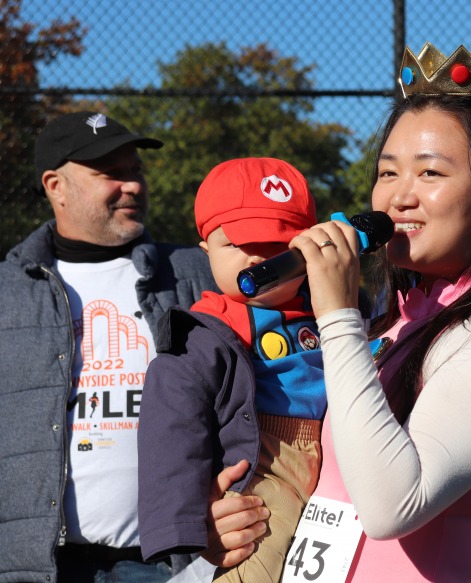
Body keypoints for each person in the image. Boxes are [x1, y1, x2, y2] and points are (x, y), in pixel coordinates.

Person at [205, 40, 471, 581]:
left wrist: (335, 315)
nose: (399, 197)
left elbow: (390, 506)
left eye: (430, 174)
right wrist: (236, 514)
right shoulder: (396, 320)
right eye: (387, 173)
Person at [0, 111, 219, 582]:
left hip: (165, 564)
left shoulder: (196, 275)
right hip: (38, 568)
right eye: (111, 173)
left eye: (135, 170)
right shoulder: (8, 292)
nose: (133, 185)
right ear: (56, 185)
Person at [137, 157, 333, 582]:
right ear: (206, 250)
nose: (258, 260)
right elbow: (172, 423)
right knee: (261, 555)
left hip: (337, 455)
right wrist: (178, 524)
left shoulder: (333, 306)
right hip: (265, 461)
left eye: (277, 247)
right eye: (238, 244)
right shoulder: (210, 330)